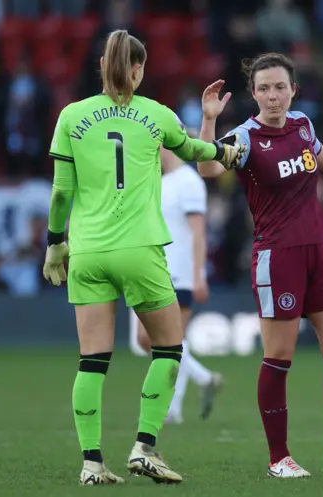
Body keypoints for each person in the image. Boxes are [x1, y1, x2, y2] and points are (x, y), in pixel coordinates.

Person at [41, 29, 246, 486]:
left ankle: (92, 464)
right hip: (139, 249)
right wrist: (225, 152)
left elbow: (60, 191)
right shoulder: (156, 114)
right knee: (169, 348)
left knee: (92, 361)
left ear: (100, 67)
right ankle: (145, 448)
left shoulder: (72, 116)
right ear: (138, 70)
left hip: (88, 250)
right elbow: (193, 151)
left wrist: (56, 242)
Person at [197, 53, 323, 478]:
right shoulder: (244, 138)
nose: (273, 95)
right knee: (279, 358)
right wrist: (209, 121)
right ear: (253, 93)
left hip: (320, 251)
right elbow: (208, 166)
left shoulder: (302, 124)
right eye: (264, 88)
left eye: (280, 87)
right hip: (277, 257)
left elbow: (319, 156)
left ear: (293, 89)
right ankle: (278, 458)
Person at [136, 146, 223, 425]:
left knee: (167, 341)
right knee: (149, 340)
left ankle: (173, 409)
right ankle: (203, 378)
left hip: (179, 272)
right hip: (155, 270)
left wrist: (199, 275)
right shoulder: (160, 181)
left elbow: (198, 231)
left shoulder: (189, 181)